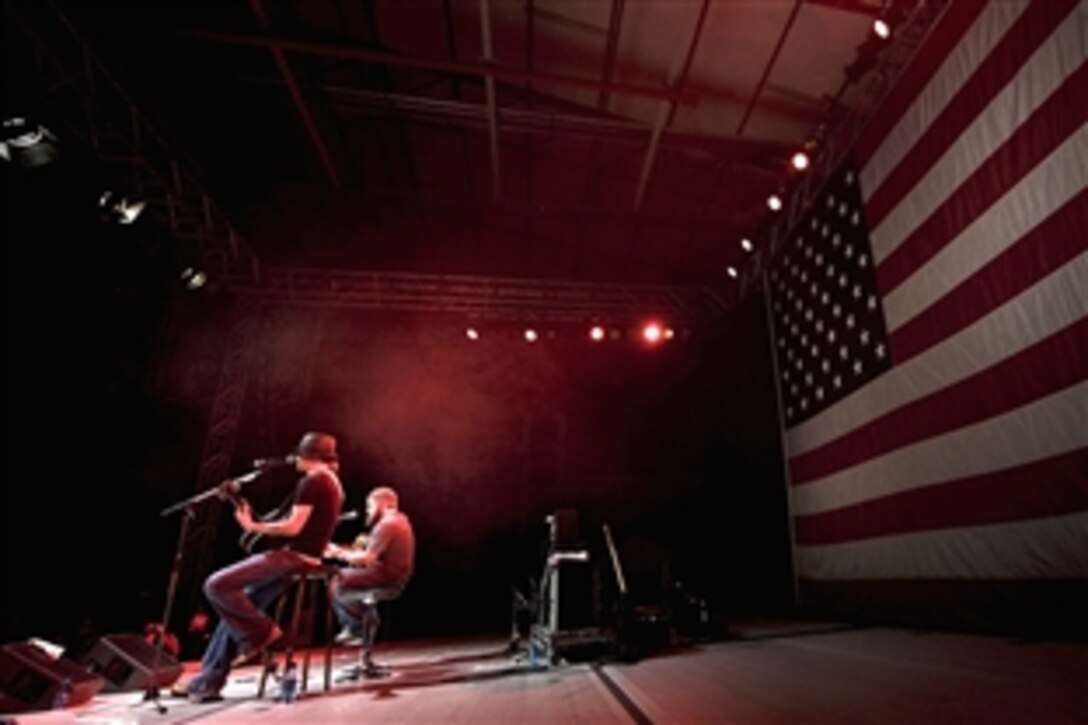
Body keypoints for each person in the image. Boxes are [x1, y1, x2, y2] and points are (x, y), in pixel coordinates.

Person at [175, 431, 345, 703]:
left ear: (307, 457)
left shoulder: (313, 482)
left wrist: (253, 526)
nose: (295, 460)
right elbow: (288, 524)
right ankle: (206, 683)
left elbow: (293, 527)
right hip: (303, 556)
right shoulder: (330, 482)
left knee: (216, 584)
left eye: (298, 455)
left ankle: (263, 632)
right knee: (236, 610)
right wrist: (245, 510)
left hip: (295, 557)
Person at [323, 486, 414, 675]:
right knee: (349, 588)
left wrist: (338, 553)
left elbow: (367, 559)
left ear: (382, 503)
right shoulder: (399, 520)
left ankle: (354, 628)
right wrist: (343, 551)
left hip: (388, 576)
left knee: (336, 578)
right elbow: (369, 555)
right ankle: (361, 626)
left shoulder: (388, 524)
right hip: (390, 573)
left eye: (370, 506)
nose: (368, 512)